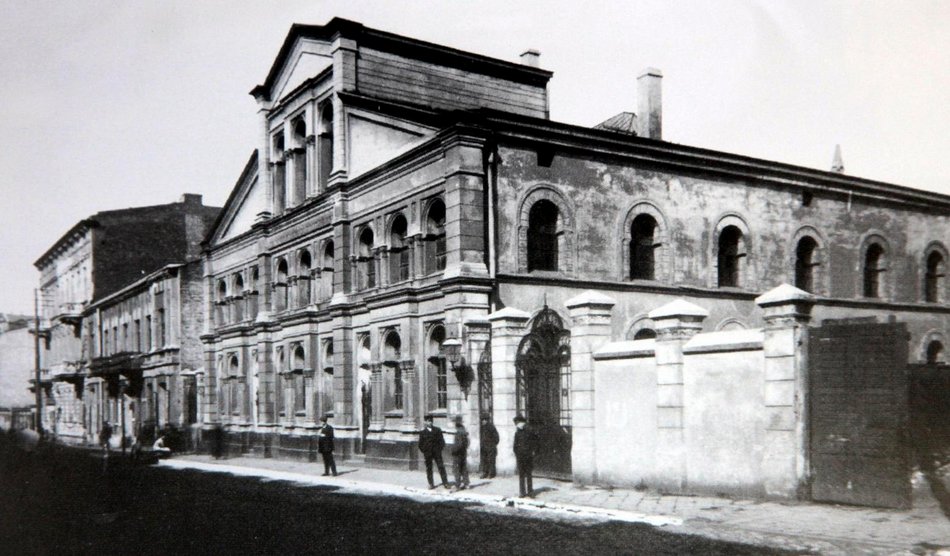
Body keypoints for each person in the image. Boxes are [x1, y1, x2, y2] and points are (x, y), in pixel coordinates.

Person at [418, 414, 449, 489]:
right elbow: (420, 444)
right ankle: (431, 484)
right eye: (428, 421)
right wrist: (425, 451)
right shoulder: (422, 433)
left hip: (437, 453)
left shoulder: (437, 430)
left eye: (431, 421)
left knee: (441, 467)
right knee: (429, 468)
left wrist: (439, 449)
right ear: (425, 422)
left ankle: (445, 483)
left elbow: (442, 442)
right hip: (428, 453)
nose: (430, 423)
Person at [513, 414, 537, 497]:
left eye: (517, 423)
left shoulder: (529, 430)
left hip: (527, 455)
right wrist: (516, 453)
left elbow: (535, 441)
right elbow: (515, 444)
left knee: (527, 473)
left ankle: (529, 491)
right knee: (522, 474)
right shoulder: (518, 432)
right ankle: (523, 492)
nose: (516, 425)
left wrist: (533, 451)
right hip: (521, 455)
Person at [450, 416, 470, 491]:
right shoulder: (464, 430)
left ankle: (457, 485)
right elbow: (467, 442)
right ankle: (466, 483)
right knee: (464, 468)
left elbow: (459, 444)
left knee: (456, 468)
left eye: (454, 422)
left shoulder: (458, 432)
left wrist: (453, 450)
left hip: (458, 453)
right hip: (463, 452)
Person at [479, 414, 499, 479]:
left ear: (487, 420)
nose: (482, 421)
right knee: (484, 460)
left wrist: (492, 444)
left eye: (484, 420)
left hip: (490, 447)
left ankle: (491, 474)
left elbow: (497, 438)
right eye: (482, 420)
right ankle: (485, 473)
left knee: (491, 461)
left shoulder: (491, 427)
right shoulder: (482, 427)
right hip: (484, 447)